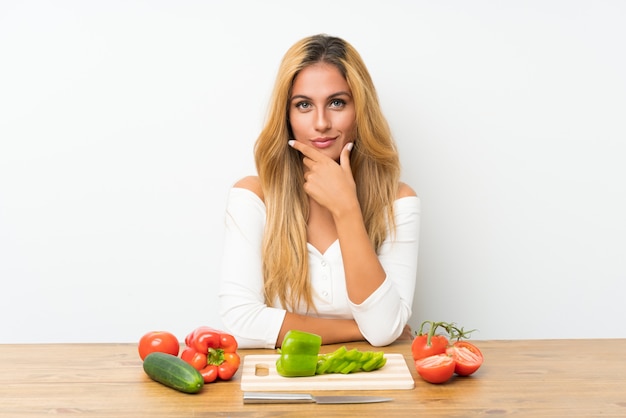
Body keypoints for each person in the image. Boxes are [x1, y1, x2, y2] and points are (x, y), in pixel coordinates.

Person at [218, 34, 420, 349]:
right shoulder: (253, 196)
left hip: (373, 380)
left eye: (337, 102)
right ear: (287, 116)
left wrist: (346, 209)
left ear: (360, 110)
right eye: (304, 105)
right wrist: (356, 329)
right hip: (281, 381)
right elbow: (240, 324)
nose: (321, 123)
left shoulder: (397, 202)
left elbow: (382, 330)